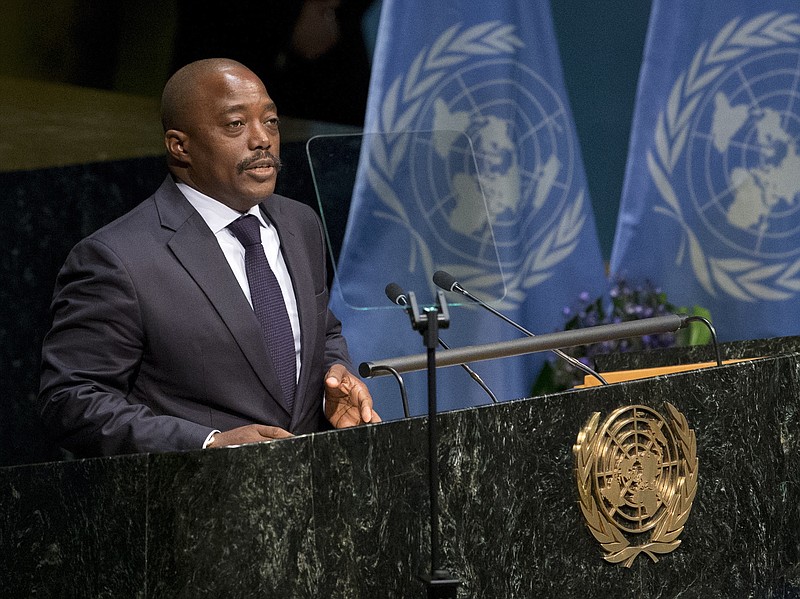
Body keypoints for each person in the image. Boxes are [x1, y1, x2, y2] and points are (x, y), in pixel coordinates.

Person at [37, 58, 379, 457]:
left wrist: (333, 384)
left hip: (311, 491)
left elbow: (323, 335)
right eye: (236, 124)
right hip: (193, 502)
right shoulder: (117, 259)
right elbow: (72, 400)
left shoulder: (300, 224)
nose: (262, 140)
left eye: (270, 121)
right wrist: (210, 444)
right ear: (180, 146)